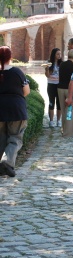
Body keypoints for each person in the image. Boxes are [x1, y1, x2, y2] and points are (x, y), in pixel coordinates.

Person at [0, 46, 30, 177]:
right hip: (16, 109)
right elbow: (26, 91)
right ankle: (7, 162)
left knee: (1, 138)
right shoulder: (17, 72)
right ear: (10, 57)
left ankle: (2, 166)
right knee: (15, 137)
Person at [57, 49, 73, 138]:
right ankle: (68, 133)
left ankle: (64, 129)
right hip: (70, 90)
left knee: (63, 110)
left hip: (60, 88)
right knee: (70, 111)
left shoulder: (62, 64)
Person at [45, 48, 62, 128]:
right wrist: (47, 69)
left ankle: (58, 121)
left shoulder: (61, 63)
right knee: (51, 102)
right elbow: (48, 75)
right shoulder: (49, 63)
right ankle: (51, 121)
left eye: (60, 54)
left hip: (59, 85)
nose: (59, 56)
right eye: (57, 54)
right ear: (54, 55)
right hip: (51, 84)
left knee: (59, 103)